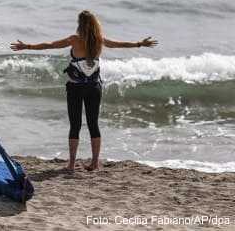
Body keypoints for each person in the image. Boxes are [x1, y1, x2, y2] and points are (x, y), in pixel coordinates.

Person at [10, 10, 158, 171]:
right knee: (93, 124)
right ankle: (95, 162)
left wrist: (28, 46)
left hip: (75, 88)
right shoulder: (99, 41)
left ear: (80, 25)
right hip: (94, 87)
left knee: (75, 125)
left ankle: (72, 164)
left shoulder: (74, 40)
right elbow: (120, 44)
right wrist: (139, 44)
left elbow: (50, 45)